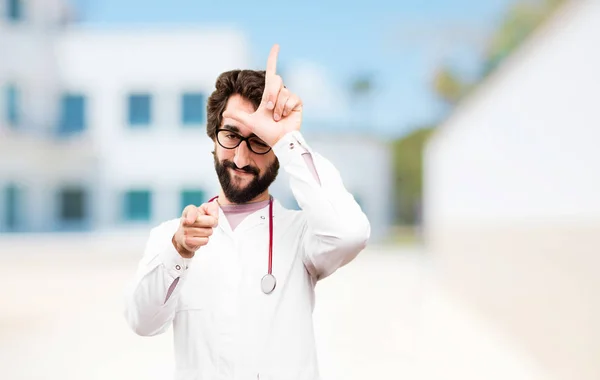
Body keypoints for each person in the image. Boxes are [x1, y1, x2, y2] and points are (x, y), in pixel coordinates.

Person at [123, 44, 371, 380]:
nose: (241, 159)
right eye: (231, 136)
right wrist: (178, 251)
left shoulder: (302, 234)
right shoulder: (171, 237)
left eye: (259, 141)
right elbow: (142, 322)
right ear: (213, 137)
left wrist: (287, 138)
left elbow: (351, 233)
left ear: (277, 150)